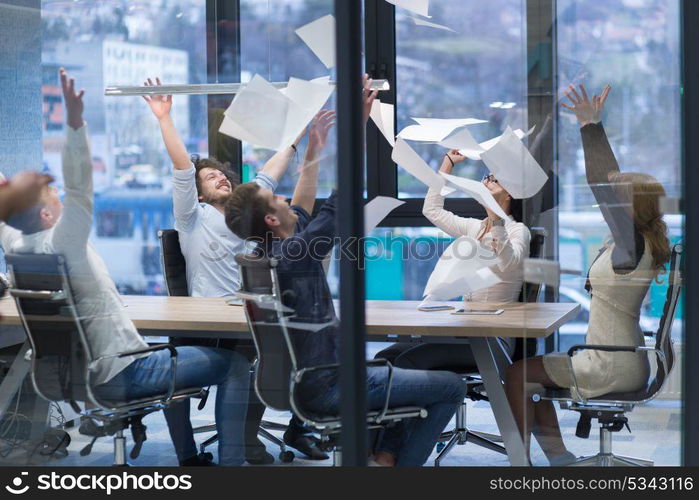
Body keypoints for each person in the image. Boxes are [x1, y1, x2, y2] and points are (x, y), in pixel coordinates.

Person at [0, 68, 251, 467]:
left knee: (178, 351)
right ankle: (231, 469)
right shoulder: (67, 241)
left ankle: (192, 459)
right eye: (54, 193)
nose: (63, 196)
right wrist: (76, 123)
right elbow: (81, 182)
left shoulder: (16, 244)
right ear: (49, 213)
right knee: (236, 365)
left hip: (76, 378)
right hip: (121, 372)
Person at [223, 77, 467, 467]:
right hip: (331, 384)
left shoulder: (273, 252)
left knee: (401, 360)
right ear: (271, 217)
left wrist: (316, 149)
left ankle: (382, 456)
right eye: (275, 198)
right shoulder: (296, 253)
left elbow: (307, 209)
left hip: (307, 382)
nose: (285, 197)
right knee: (452, 387)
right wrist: (356, 126)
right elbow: (338, 205)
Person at [142, 78, 334, 463]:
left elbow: (271, 171)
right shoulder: (192, 219)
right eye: (211, 178)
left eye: (223, 174)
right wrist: (164, 118)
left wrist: (299, 136)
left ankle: (260, 437)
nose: (221, 177)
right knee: (194, 371)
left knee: (278, 351)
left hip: (251, 318)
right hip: (206, 321)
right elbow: (182, 168)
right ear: (197, 194)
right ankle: (190, 456)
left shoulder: (248, 215)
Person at [504, 84, 671, 465]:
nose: (608, 202)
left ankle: (519, 465)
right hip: (621, 357)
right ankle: (559, 458)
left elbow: (602, 184)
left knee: (516, 375)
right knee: (531, 377)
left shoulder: (631, 245)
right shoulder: (635, 245)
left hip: (609, 364)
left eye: (618, 198)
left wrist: (590, 126)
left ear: (630, 207)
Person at [375, 150, 530, 369]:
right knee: (386, 357)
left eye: (493, 180)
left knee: (408, 360)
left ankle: (442, 396)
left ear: (509, 194)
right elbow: (432, 210)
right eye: (486, 177)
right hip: (465, 329)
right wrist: (447, 164)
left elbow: (508, 262)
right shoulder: (476, 227)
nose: (486, 181)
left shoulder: (518, 230)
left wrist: (496, 221)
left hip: (491, 340)